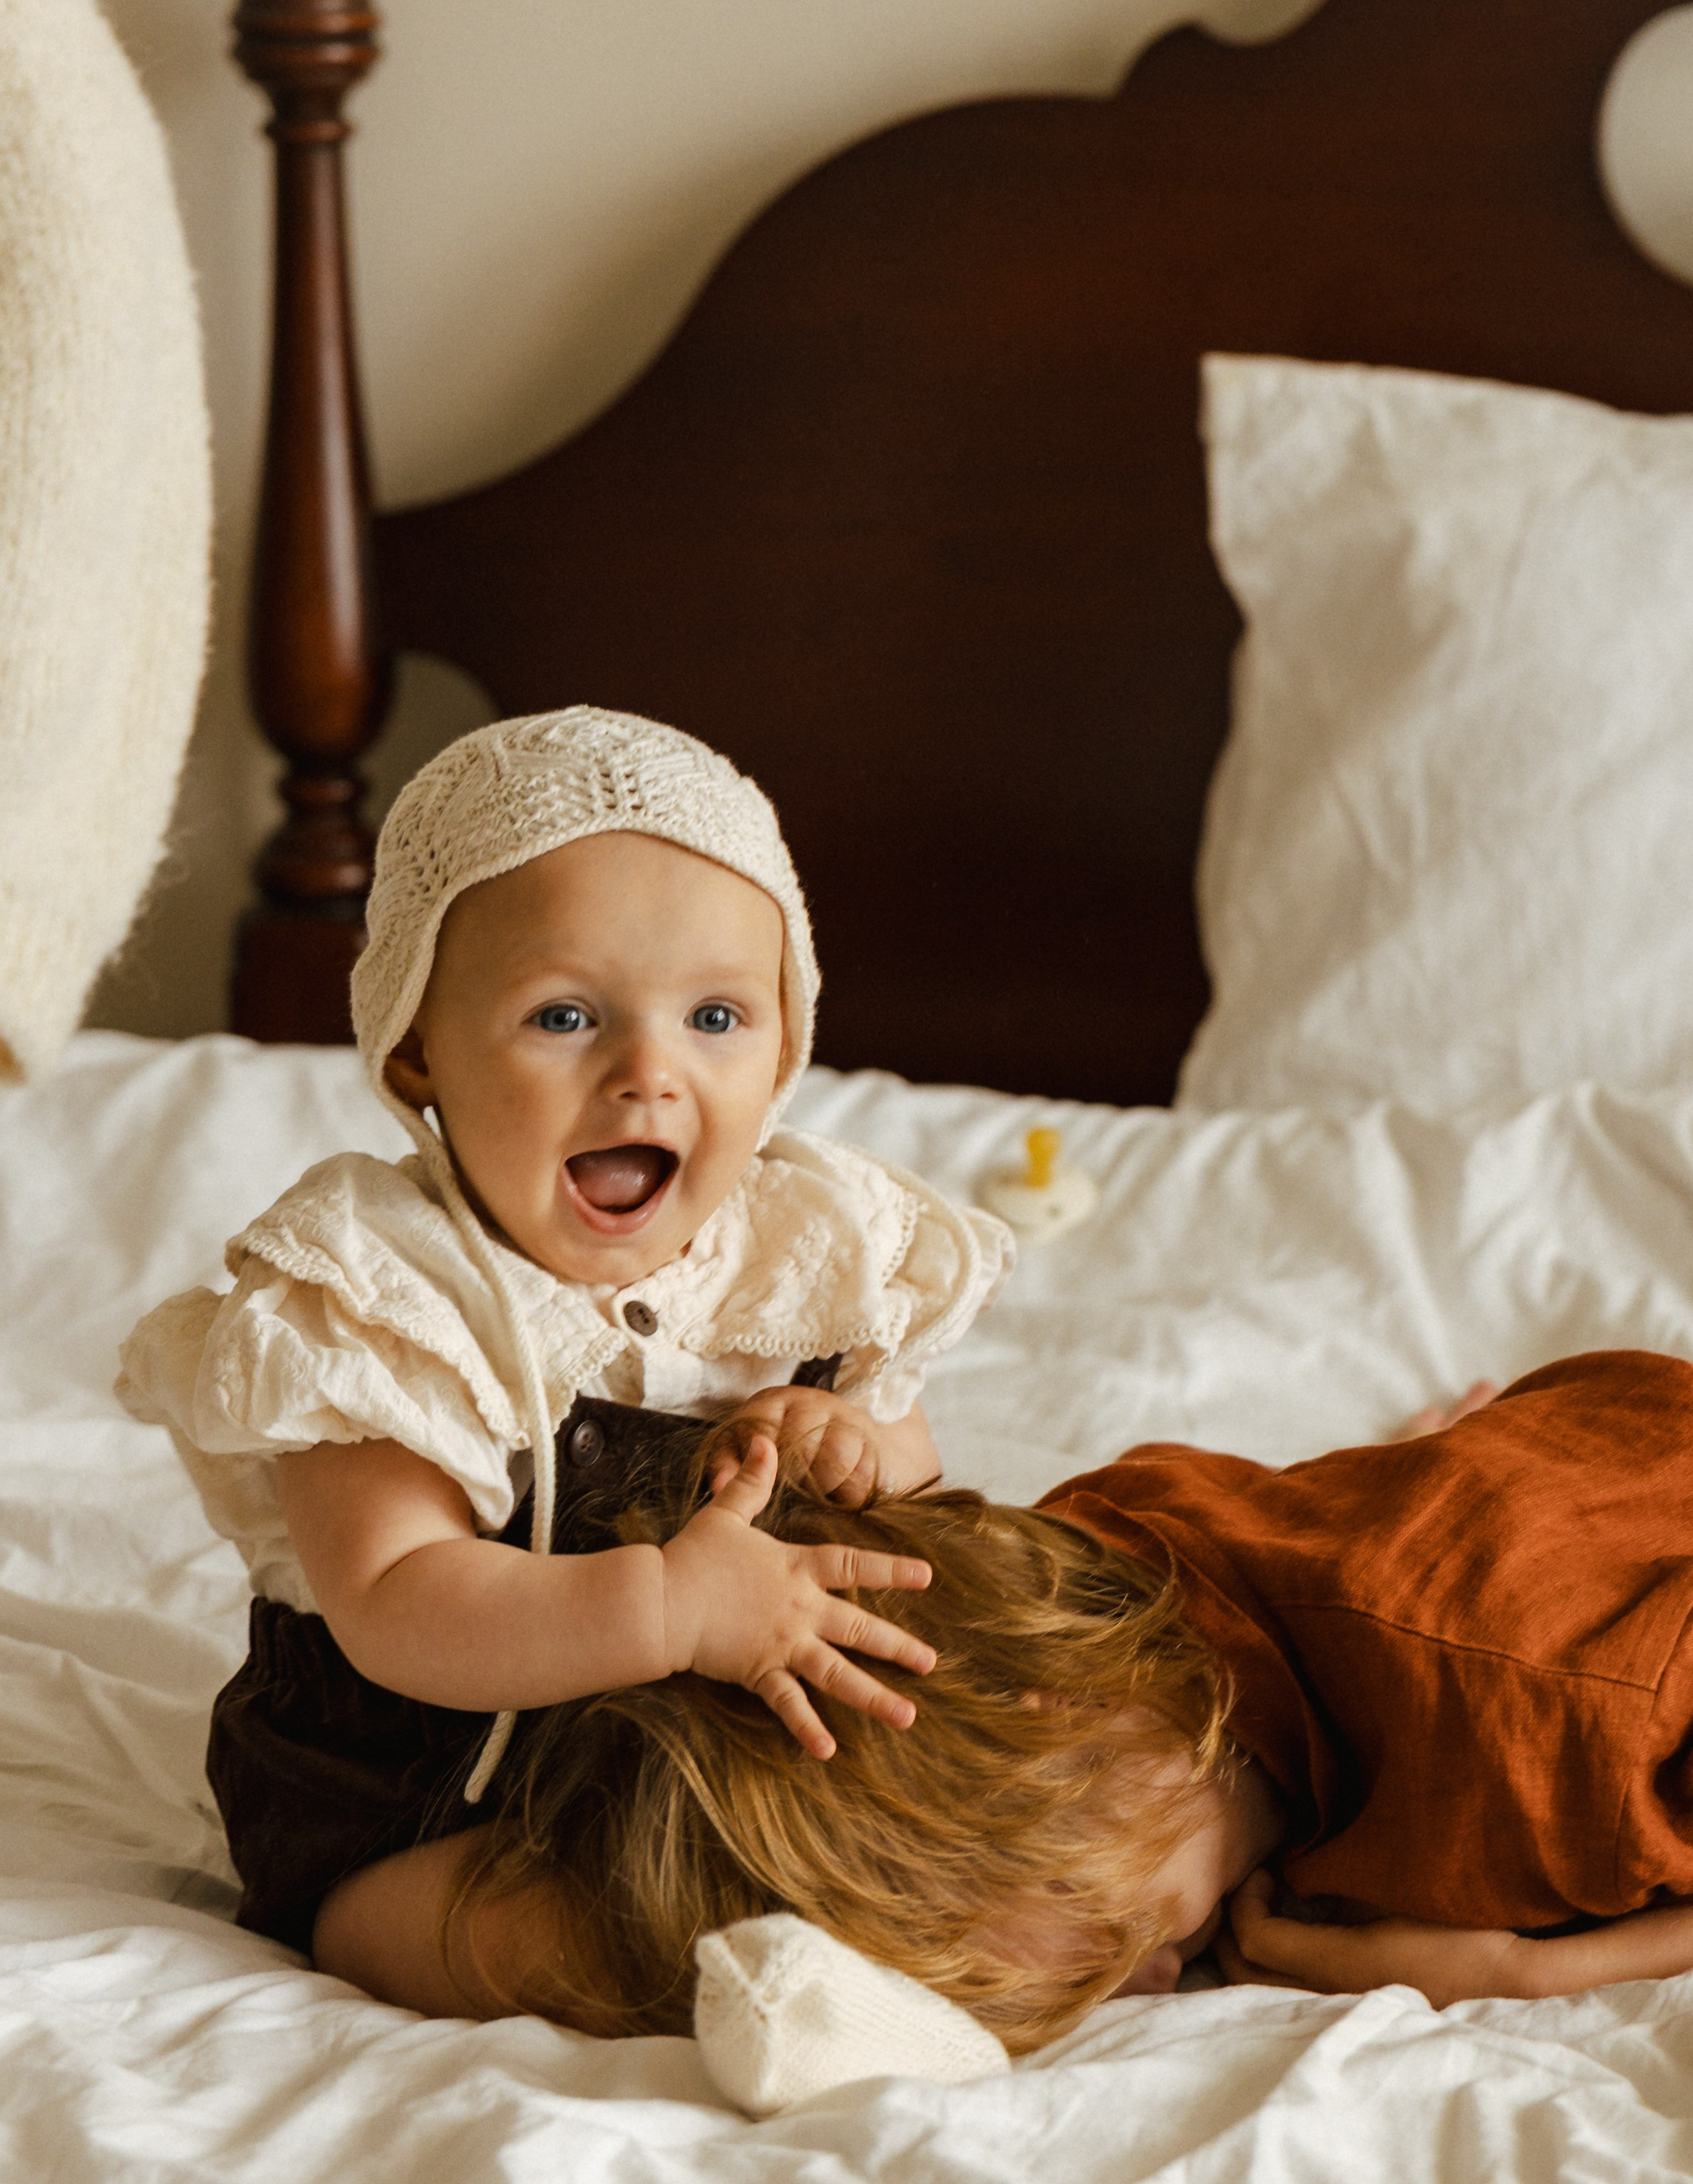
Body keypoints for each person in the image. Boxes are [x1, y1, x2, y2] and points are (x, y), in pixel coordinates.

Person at [118, 706, 1011, 1956]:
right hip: (428, 1794)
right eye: (564, 1017)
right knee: (500, 1929)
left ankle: (919, 1940)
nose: (650, 1072)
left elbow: (909, 1495)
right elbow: (391, 1595)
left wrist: (848, 1444)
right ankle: (728, 1990)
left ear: (785, 1047)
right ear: (420, 1046)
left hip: (708, 1768)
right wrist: (668, 1608)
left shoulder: (808, 1249)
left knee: (970, 1774)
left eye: (715, 1019)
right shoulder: (380, 1291)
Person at [306, 1350, 1693, 2046]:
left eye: (1117, 1943)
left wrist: (1523, 1970)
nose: (1150, 1985)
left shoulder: (1555, 1746)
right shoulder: (1088, 1571)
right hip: (1549, 1455)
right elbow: (360, 1924)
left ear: (1051, 1721)